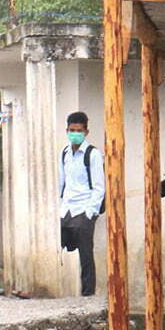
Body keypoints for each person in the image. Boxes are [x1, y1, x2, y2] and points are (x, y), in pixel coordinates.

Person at [59, 110, 105, 296]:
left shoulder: (92, 154)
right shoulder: (64, 154)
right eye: (72, 130)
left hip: (84, 210)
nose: (75, 133)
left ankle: (88, 296)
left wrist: (89, 212)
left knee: (86, 256)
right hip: (67, 210)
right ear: (67, 131)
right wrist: (60, 206)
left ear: (86, 132)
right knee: (57, 246)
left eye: (79, 130)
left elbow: (99, 187)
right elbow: (61, 183)